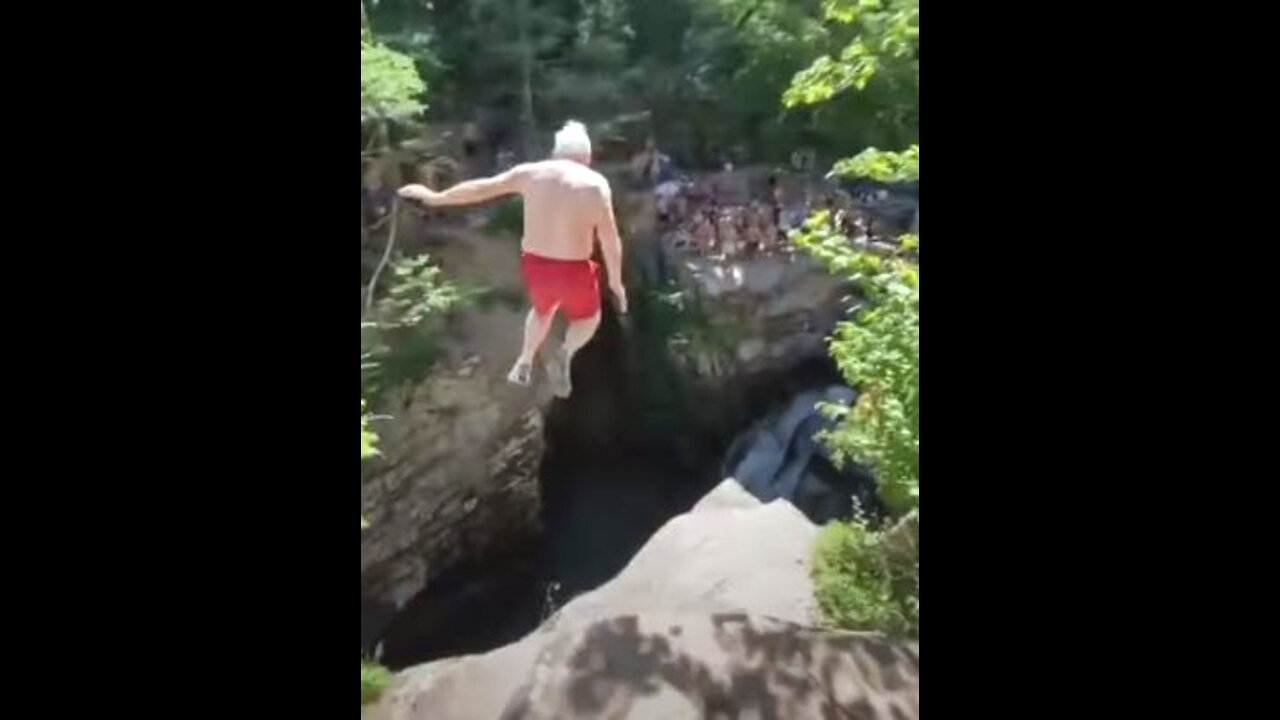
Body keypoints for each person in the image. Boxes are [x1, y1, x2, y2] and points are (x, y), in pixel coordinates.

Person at [397, 120, 626, 398]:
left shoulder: (530, 173)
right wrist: (616, 283)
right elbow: (609, 239)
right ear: (587, 157)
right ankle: (566, 352)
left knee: (542, 310)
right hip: (574, 269)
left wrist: (435, 198)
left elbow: (481, 188)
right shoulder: (596, 185)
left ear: (555, 154)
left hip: (537, 265)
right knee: (589, 319)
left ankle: (525, 360)